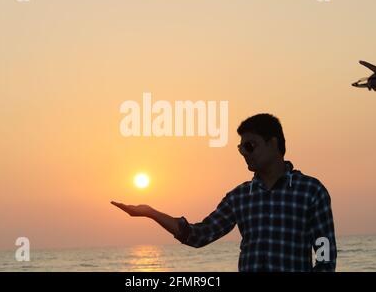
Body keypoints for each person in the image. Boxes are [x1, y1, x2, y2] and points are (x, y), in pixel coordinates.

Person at [111, 114, 337, 271]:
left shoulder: (311, 191)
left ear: (273, 143)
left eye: (250, 146)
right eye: (241, 148)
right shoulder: (239, 197)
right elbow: (199, 235)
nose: (244, 153)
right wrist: (151, 213)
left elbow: (325, 254)